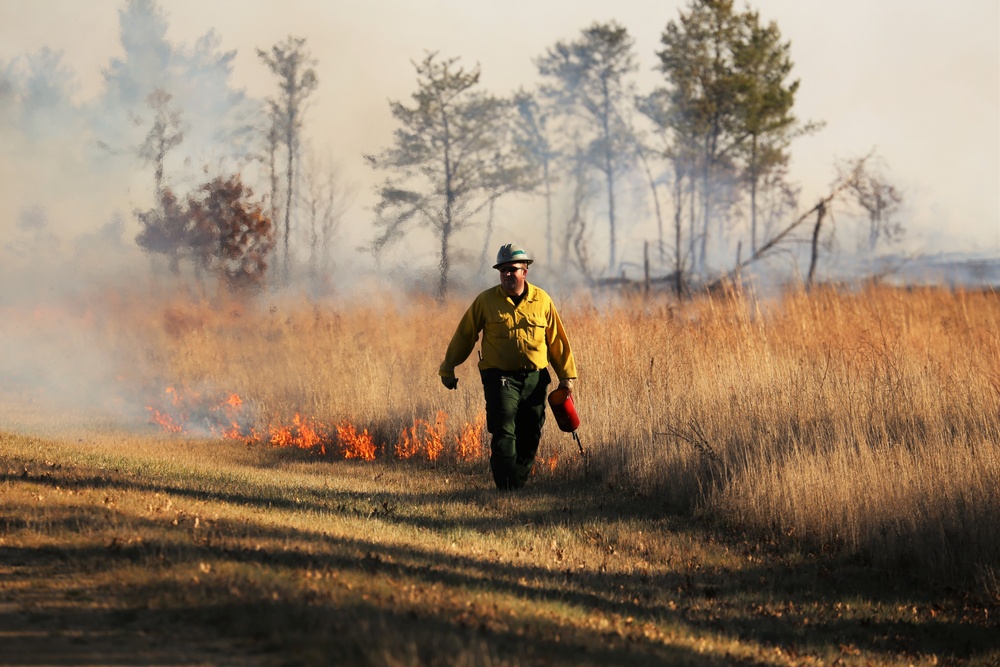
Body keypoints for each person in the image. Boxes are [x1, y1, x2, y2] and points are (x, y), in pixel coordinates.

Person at [439, 243, 577, 490]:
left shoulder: (542, 300)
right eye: (502, 270)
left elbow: (557, 340)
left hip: (536, 378)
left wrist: (566, 377)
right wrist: (448, 367)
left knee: (531, 433)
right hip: (500, 377)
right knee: (504, 430)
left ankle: (515, 484)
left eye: (512, 269)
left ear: (525, 271)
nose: (507, 274)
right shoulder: (486, 301)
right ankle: (506, 487)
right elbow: (465, 335)